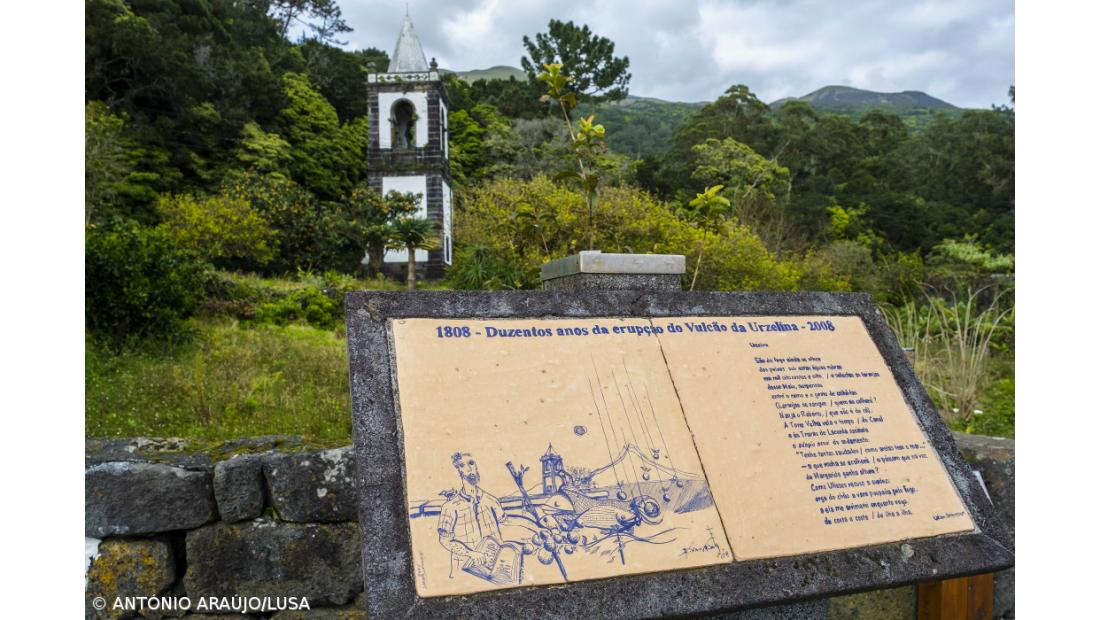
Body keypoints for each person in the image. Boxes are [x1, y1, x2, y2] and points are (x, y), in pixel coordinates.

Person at [437, 452, 507, 578]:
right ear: (458, 470)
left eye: (471, 463)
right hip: (464, 573)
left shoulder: (491, 500)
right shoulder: (450, 507)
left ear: (476, 465)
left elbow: (506, 523)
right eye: (463, 465)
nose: (469, 468)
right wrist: (470, 553)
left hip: (493, 572)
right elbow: (444, 540)